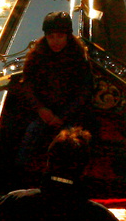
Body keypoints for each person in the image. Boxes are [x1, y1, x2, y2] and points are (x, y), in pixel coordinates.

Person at [10, 11, 95, 177]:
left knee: (75, 142)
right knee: (30, 133)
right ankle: (19, 173)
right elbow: (27, 85)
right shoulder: (36, 56)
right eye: (51, 37)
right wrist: (41, 109)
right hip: (43, 111)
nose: (55, 41)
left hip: (71, 112)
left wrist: (62, 116)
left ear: (68, 36)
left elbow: (84, 92)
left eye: (60, 36)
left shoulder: (79, 58)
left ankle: (76, 175)